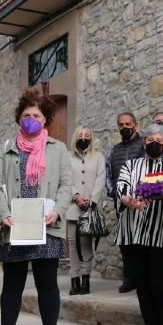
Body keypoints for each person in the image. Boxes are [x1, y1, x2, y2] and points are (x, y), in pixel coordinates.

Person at [0, 89, 73, 325]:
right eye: (26, 115)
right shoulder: (5, 148)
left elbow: (66, 185)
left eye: (36, 115)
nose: (31, 120)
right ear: (19, 118)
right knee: (11, 286)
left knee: (47, 284)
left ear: (45, 119)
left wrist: (58, 212)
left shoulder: (58, 149)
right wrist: (3, 214)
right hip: (14, 227)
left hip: (46, 226)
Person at [116, 124, 163, 325]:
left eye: (159, 139)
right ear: (144, 143)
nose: (154, 142)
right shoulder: (130, 165)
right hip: (134, 234)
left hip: (161, 235)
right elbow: (121, 187)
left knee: (161, 284)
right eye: (150, 139)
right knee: (142, 285)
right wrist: (128, 200)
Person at [106, 112, 144, 293]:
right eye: (121, 124)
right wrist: (114, 193)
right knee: (126, 242)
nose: (125, 127)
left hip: (141, 201)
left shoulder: (144, 146)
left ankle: (144, 277)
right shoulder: (115, 150)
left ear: (135, 125)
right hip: (121, 203)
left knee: (143, 241)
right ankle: (130, 278)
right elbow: (109, 174)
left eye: (128, 124)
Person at [66, 125, 105, 296]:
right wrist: (75, 196)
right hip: (73, 206)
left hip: (90, 207)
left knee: (86, 244)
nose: (84, 138)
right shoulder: (67, 157)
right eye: (80, 135)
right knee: (73, 245)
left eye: (87, 135)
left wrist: (92, 200)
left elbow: (101, 179)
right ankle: (74, 280)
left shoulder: (98, 157)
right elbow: (65, 179)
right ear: (75, 136)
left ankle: (86, 280)